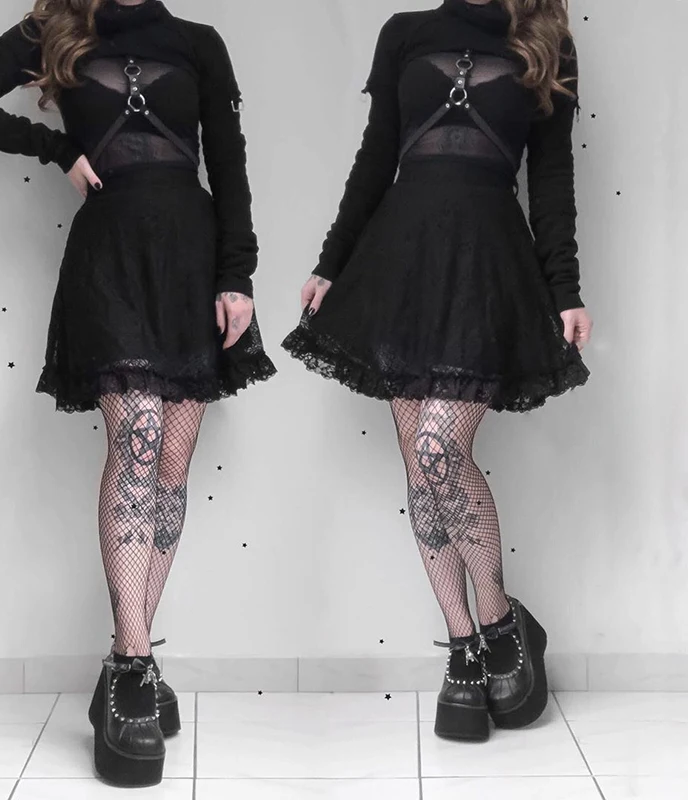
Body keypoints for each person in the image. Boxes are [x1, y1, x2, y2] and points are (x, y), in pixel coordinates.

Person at [0, 0, 275, 785]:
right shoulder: (55, 27)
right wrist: (54, 147)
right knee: (137, 443)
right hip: (111, 259)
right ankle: (132, 667)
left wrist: (237, 274)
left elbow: (229, 165)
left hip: (189, 257)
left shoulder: (198, 43)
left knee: (173, 464)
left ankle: (132, 661)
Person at [282, 0, 592, 743]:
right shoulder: (405, 31)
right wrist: (331, 262)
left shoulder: (546, 39)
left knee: (437, 451)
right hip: (402, 260)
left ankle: (500, 622)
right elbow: (375, 156)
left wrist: (566, 288)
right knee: (422, 470)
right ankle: (462, 648)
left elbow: (551, 177)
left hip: (485, 263)